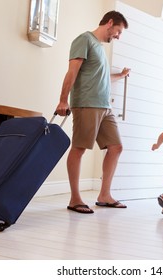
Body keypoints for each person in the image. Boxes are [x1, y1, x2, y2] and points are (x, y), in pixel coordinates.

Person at [55, 11, 131, 214]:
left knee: (116, 147)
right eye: (118, 31)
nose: (118, 36)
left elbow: (101, 77)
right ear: (110, 22)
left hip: (105, 106)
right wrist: (63, 100)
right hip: (87, 104)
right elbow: (72, 71)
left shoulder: (100, 49)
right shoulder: (84, 40)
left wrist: (120, 75)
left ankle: (104, 195)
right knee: (79, 148)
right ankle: (75, 198)